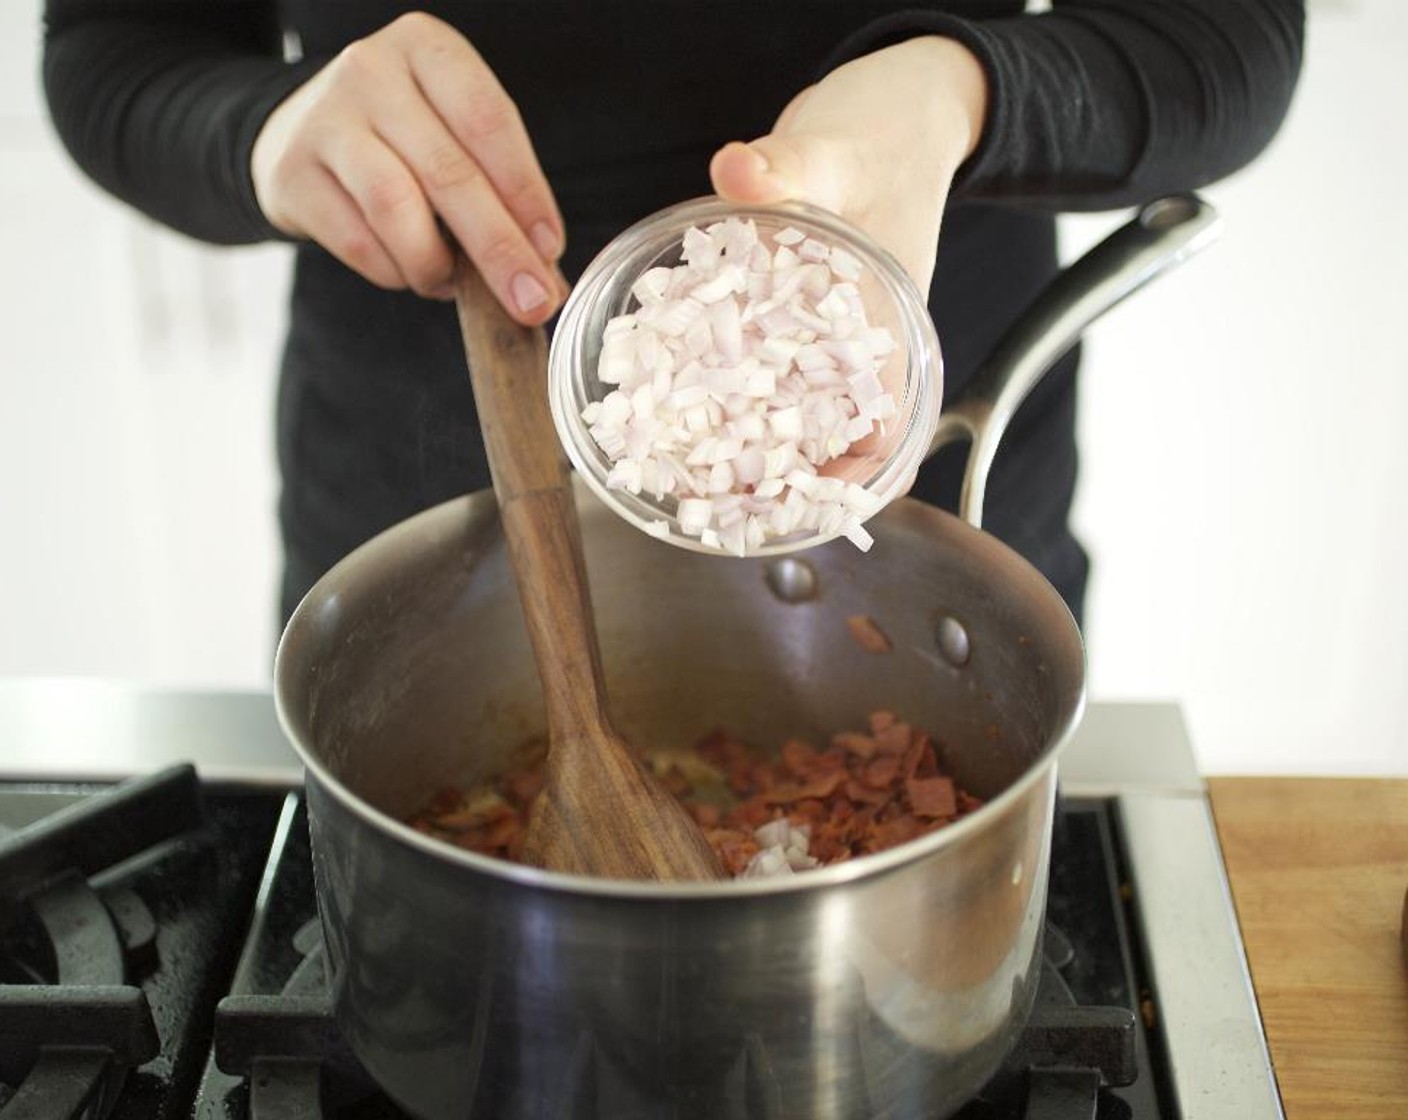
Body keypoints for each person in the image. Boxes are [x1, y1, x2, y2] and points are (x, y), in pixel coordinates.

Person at [41, 1, 1304, 627]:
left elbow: (1231, 38)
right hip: (412, 493)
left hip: (915, 463)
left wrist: (961, 91)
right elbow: (116, 45)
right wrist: (262, 132)